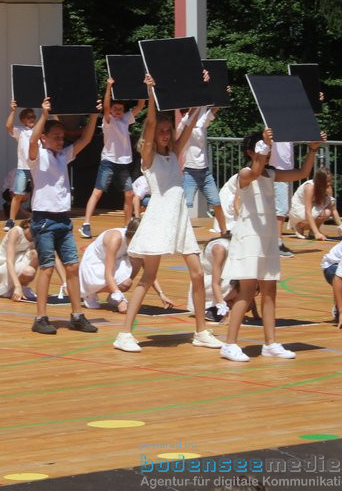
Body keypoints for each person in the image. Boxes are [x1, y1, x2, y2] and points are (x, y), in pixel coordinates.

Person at [114, 74, 222, 353]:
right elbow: (149, 123)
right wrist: (150, 95)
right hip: (159, 219)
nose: (164, 132)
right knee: (148, 278)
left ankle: (201, 330)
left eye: (167, 129)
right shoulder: (148, 158)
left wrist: (201, 90)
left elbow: (194, 120)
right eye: (161, 130)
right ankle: (124, 333)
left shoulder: (175, 152)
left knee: (198, 274)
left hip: (179, 219)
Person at [217, 127, 324, 362]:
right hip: (249, 238)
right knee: (246, 291)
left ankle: (270, 343)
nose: (268, 153)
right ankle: (230, 343)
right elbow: (255, 170)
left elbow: (302, 172)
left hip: (267, 239)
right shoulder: (244, 174)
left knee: (270, 290)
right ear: (251, 151)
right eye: (263, 148)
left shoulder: (272, 174)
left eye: (268, 148)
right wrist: (263, 145)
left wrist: (312, 150)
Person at [29, 97, 100, 334]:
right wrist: (44, 115)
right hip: (44, 219)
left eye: (62, 137)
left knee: (71, 267)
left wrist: (94, 114)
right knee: (47, 267)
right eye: (56, 137)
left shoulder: (63, 156)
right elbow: (31, 140)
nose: (61, 140)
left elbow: (86, 139)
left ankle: (77, 315)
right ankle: (40, 317)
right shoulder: (38, 156)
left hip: (63, 219)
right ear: (44, 138)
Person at [80, 78, 145, 238]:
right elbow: (107, 106)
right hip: (108, 161)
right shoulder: (107, 120)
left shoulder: (125, 120)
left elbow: (140, 106)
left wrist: (142, 88)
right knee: (98, 192)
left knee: (129, 194)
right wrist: (109, 87)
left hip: (123, 164)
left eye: (120, 109)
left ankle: (127, 225)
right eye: (115, 109)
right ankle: (86, 224)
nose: (117, 111)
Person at [80, 219, 173, 312]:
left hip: (116, 259)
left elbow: (149, 271)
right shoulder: (115, 239)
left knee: (129, 278)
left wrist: (161, 294)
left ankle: (113, 295)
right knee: (120, 282)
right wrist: (120, 300)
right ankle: (90, 292)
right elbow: (108, 274)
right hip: (95, 263)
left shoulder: (135, 243)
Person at [179, 101, 228, 237]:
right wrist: (199, 98)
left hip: (205, 172)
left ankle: (224, 231)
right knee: (186, 204)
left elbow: (213, 111)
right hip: (190, 171)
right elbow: (190, 116)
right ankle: (181, 232)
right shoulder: (182, 125)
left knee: (216, 202)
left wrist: (221, 95)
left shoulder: (200, 124)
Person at [4, 102, 38, 231]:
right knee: (18, 194)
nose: (32, 119)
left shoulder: (39, 130)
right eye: (29, 117)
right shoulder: (20, 130)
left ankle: (36, 218)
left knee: (37, 194)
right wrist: (13, 111)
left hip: (37, 167)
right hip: (23, 167)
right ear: (23, 120)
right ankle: (11, 221)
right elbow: (8, 126)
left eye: (33, 116)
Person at [288, 168, 342, 241]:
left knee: (328, 210)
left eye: (330, 180)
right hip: (299, 210)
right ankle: (299, 225)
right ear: (320, 181)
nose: (329, 183)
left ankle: (312, 231)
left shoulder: (327, 187)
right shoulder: (310, 187)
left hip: (310, 210)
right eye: (327, 181)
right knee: (323, 212)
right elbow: (308, 211)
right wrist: (317, 233)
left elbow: (333, 209)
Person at [0, 220, 38, 301]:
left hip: (19, 257)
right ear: (28, 224)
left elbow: (53, 257)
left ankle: (23, 286)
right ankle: (15, 287)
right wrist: (17, 286)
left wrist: (64, 283)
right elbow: (9, 261)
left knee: (35, 258)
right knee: (6, 292)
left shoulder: (38, 236)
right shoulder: (16, 231)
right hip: (4, 260)